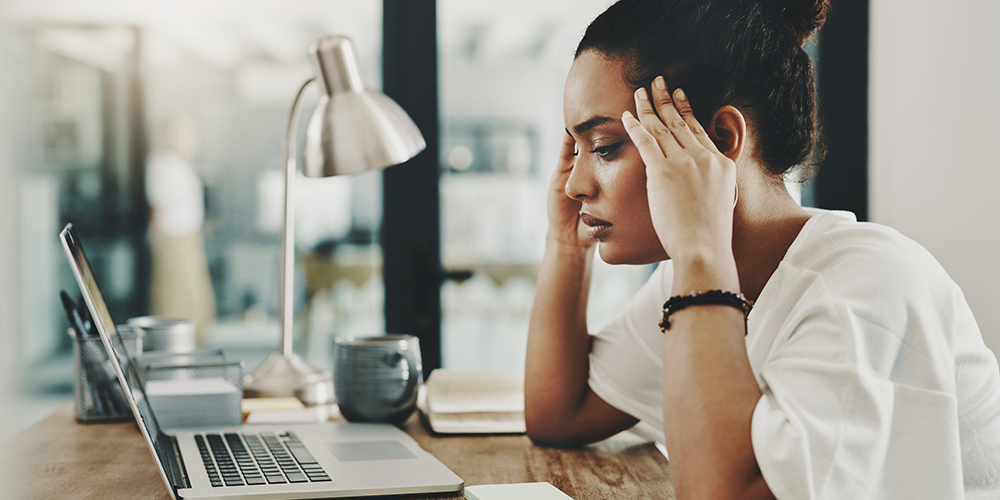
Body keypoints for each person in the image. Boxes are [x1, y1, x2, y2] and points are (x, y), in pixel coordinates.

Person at [524, 0, 1000, 498]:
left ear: (720, 140)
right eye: (574, 149)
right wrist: (564, 243)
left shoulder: (865, 285)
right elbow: (561, 412)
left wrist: (698, 257)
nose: (574, 184)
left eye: (602, 146)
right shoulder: (700, 274)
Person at [146, 116, 217, 346]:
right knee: (174, 290)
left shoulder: (180, 162)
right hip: (172, 235)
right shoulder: (161, 162)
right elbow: (158, 204)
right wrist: (154, 236)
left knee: (192, 289)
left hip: (188, 234)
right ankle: (172, 340)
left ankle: (193, 337)